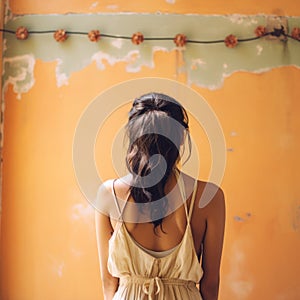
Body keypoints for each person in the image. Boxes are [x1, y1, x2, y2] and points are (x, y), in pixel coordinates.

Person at [95, 92, 225, 300]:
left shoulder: (108, 194)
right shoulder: (209, 197)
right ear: (182, 138)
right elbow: (210, 284)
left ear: (132, 137)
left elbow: (109, 282)